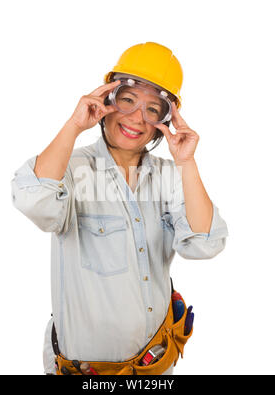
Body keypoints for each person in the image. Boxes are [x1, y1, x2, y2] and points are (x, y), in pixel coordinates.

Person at [11, 42, 229, 375]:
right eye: (127, 100)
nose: (136, 118)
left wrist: (186, 161)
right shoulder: (68, 167)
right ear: (107, 101)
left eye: (153, 109)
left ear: (164, 120)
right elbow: (31, 200)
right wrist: (73, 125)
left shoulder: (172, 176)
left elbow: (205, 243)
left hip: (154, 368)